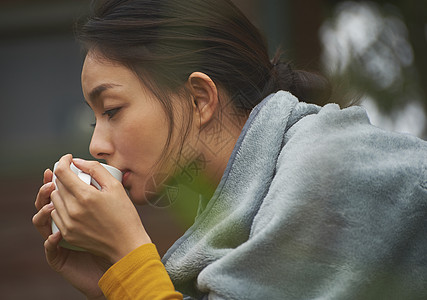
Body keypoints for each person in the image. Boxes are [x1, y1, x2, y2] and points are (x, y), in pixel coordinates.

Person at [33, 0, 427, 299]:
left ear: (200, 98)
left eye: (113, 110)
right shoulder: (241, 214)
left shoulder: (330, 172)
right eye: (94, 119)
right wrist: (116, 276)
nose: (95, 145)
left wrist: (131, 259)